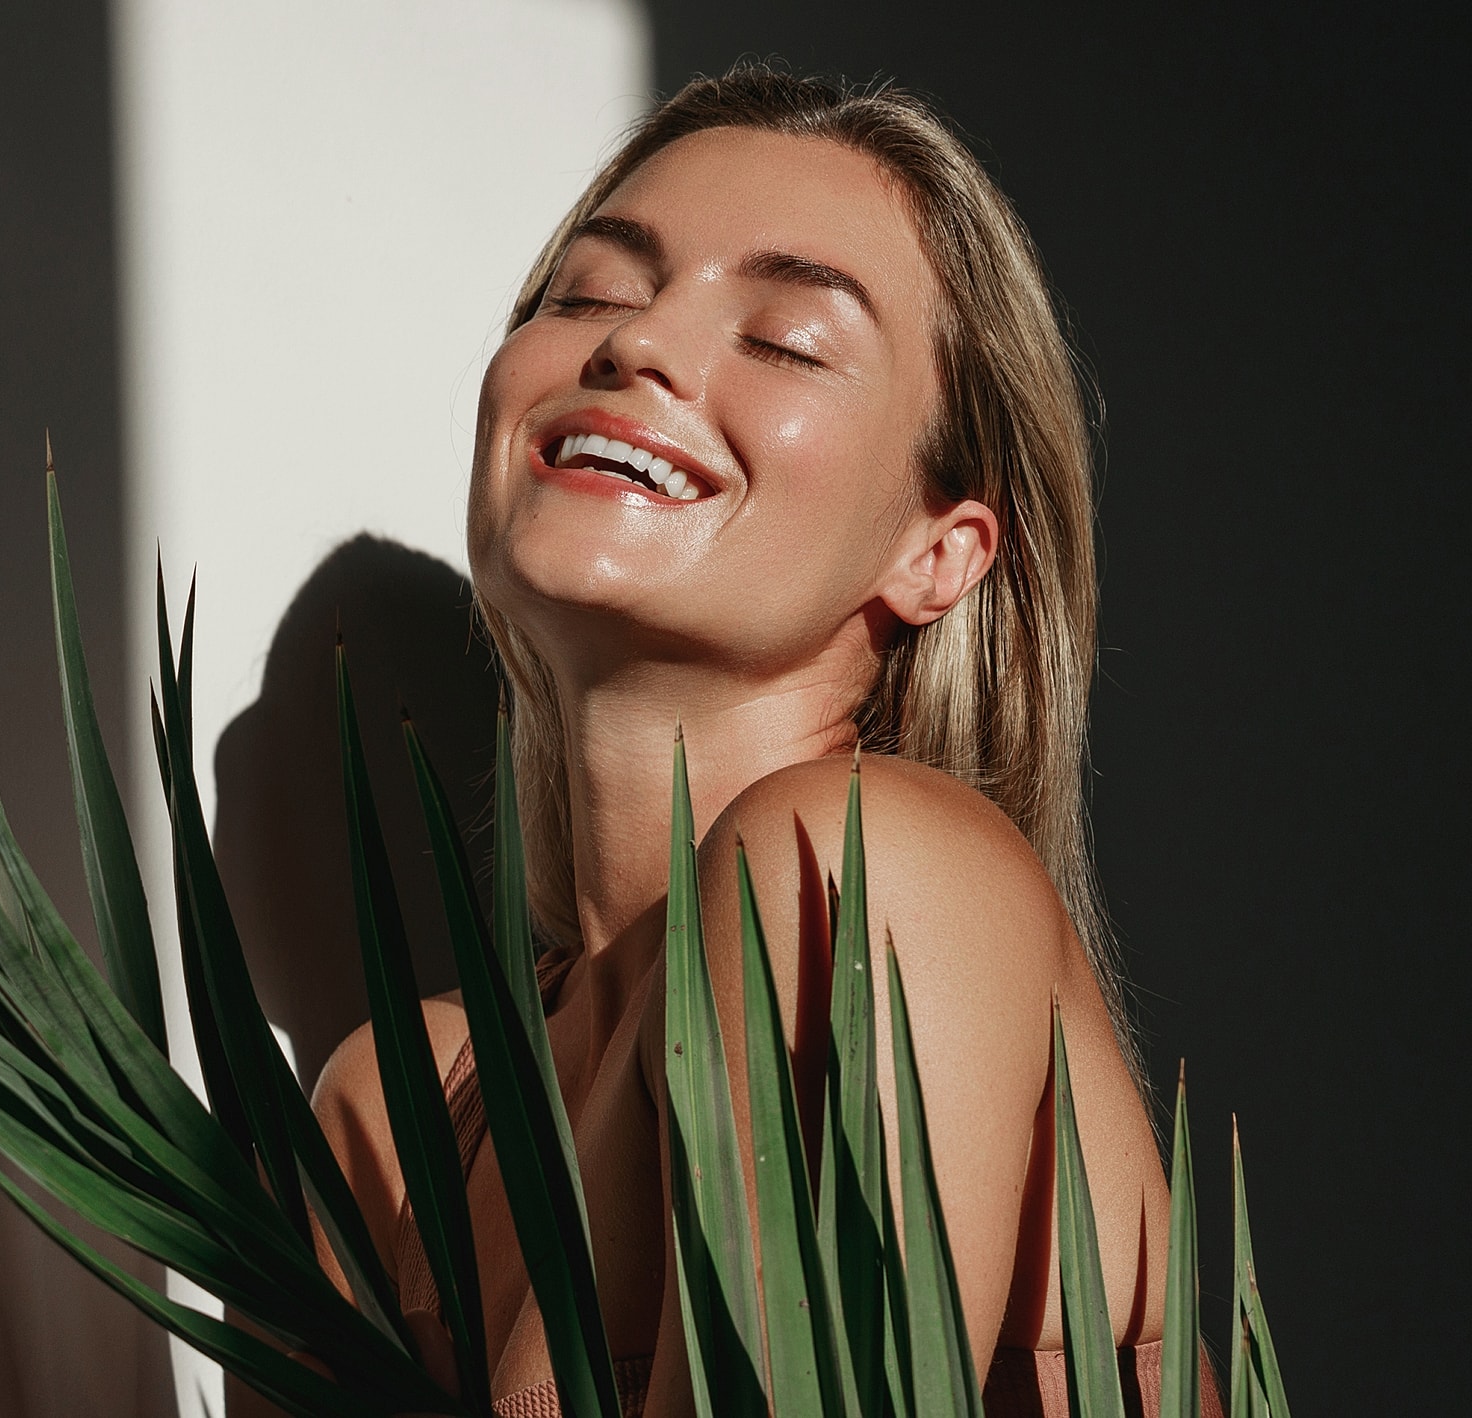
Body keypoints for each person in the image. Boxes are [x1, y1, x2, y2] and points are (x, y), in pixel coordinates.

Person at [313, 66, 1213, 1417]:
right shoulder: (398, 1111)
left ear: (939, 552)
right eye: (590, 295)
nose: (637, 348)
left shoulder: (869, 874)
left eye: (787, 337)